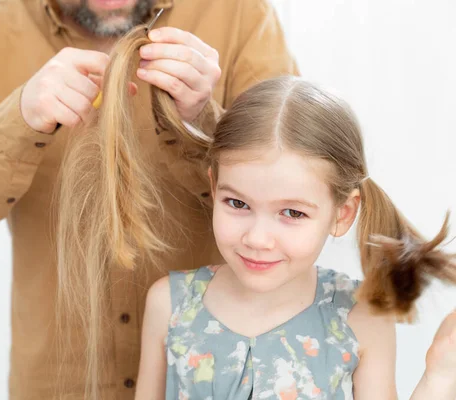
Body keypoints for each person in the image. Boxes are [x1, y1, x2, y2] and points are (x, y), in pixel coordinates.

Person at [0, 0, 298, 399]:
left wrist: (202, 123)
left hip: (218, 379)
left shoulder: (241, 14)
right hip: (59, 383)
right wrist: (19, 118)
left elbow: (300, 197)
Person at [135, 76, 456, 399]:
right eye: (237, 203)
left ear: (342, 214)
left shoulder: (361, 318)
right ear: (215, 188)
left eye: (292, 213)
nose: (258, 239)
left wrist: (439, 378)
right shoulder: (170, 304)